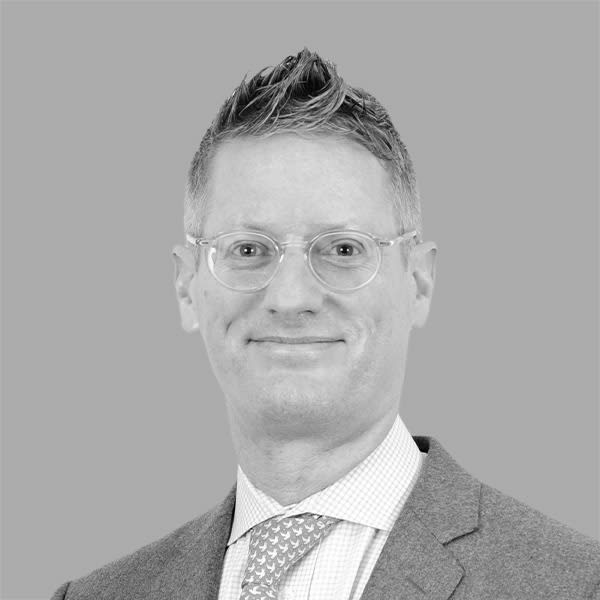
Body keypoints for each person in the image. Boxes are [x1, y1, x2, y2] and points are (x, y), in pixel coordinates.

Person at [51, 48, 599, 600]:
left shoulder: (577, 585)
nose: (291, 298)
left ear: (419, 282)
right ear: (186, 285)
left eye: (342, 248)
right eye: (248, 249)